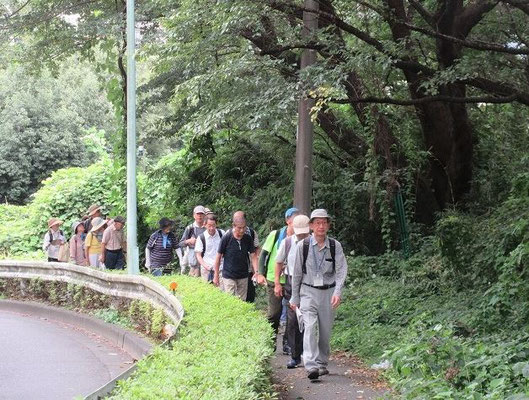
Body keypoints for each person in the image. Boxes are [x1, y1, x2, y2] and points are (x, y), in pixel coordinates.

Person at [289, 209, 348, 380]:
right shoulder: (303, 246)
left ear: (328, 225)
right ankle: (311, 366)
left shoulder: (334, 245)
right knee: (309, 327)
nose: (321, 226)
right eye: (317, 223)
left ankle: (322, 363)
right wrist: (295, 297)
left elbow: (341, 269)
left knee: (325, 331)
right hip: (307, 292)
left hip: (328, 292)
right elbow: (297, 273)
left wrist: (338, 291)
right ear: (311, 226)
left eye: (324, 223)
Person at [257, 207, 298, 352]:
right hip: (272, 279)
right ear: (288, 221)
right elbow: (263, 255)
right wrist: (260, 273)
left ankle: (287, 343)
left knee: (291, 314)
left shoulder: (301, 238)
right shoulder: (276, 235)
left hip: (291, 279)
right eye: (294, 222)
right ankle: (271, 339)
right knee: (274, 313)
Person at [275, 214, 310, 369]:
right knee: (293, 319)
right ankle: (295, 356)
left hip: (310, 284)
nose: (302, 235)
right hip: (290, 282)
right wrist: (277, 282)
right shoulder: (287, 242)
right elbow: (278, 262)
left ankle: (310, 355)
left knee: (310, 319)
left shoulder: (314, 242)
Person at [213, 216, 258, 300]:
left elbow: (253, 255)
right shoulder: (227, 238)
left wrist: (256, 271)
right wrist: (216, 275)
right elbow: (218, 257)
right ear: (233, 226)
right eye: (239, 228)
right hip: (229, 275)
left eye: (244, 227)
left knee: (242, 301)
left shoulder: (248, 238)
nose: (242, 230)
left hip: (243, 275)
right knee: (230, 300)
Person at [232, 210, 260, 302]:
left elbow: (256, 250)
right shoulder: (230, 234)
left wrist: (256, 268)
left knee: (249, 295)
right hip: (234, 270)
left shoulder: (251, 233)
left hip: (249, 269)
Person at [195, 214, 225, 282]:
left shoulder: (222, 233)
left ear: (216, 224)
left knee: (222, 291)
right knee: (208, 291)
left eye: (213, 225)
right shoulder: (201, 237)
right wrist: (205, 266)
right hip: (207, 269)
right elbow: (198, 255)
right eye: (209, 226)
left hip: (221, 268)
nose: (211, 228)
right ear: (205, 225)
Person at [178, 205, 207, 276]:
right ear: (194, 215)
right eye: (198, 214)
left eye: (201, 214)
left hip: (206, 262)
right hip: (193, 263)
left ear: (205, 216)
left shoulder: (208, 228)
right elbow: (180, 243)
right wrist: (188, 241)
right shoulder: (190, 228)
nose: (200, 216)